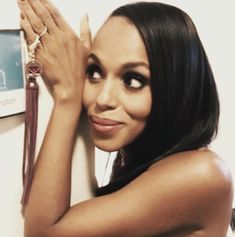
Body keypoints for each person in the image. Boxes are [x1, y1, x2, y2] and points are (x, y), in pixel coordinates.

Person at [18, 0, 233, 236]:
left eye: (133, 80)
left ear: (177, 88)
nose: (103, 98)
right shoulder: (135, 157)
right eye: (94, 72)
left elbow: (42, 233)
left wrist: (67, 96)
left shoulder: (203, 173)